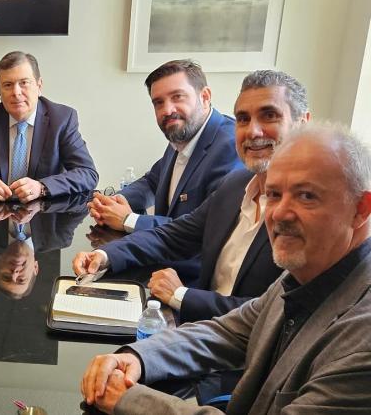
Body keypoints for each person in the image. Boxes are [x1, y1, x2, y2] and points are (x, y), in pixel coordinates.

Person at [81, 122, 371, 415]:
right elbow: (229, 332)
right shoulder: (305, 273)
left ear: (361, 209)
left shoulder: (363, 340)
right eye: (273, 195)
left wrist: (130, 400)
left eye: (306, 195)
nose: (280, 213)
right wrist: (137, 357)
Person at [74, 70, 309, 323]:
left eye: (269, 116)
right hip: (200, 326)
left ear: (303, 123)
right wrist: (106, 255)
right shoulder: (236, 185)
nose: (253, 131)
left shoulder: (311, 211)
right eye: (243, 119)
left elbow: (278, 312)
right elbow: (175, 235)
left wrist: (181, 296)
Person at [89, 59, 242, 232]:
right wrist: (112, 203)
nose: (167, 110)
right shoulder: (183, 134)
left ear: (205, 97)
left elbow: (207, 229)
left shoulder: (231, 147)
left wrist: (129, 220)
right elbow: (152, 182)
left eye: (177, 97)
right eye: (159, 102)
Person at [0, 51, 98, 202]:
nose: (16, 92)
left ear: (39, 86)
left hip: (46, 211)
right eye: (8, 85)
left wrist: (42, 187)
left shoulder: (61, 119)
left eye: (24, 83)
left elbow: (87, 173)